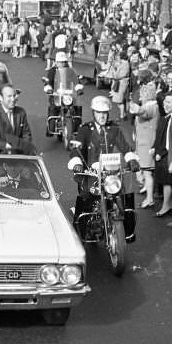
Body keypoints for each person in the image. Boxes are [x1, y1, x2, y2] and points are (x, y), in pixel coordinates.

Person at [67, 95, 140, 240]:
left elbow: (125, 147)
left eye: (105, 113)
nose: (102, 116)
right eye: (99, 112)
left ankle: (128, 232)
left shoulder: (113, 129)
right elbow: (76, 149)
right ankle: (78, 232)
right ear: (93, 113)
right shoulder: (85, 129)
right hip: (90, 173)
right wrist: (77, 163)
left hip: (110, 173)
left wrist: (131, 159)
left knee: (125, 195)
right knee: (85, 199)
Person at [131, 69, 160, 208]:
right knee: (145, 172)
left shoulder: (151, 107)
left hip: (147, 146)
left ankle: (150, 198)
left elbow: (143, 113)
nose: (141, 96)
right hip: (143, 144)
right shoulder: (151, 105)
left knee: (147, 173)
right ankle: (148, 192)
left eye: (143, 94)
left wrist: (136, 109)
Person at [154, 91, 172, 219]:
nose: (165, 104)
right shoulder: (168, 116)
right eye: (164, 101)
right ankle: (170, 207)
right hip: (165, 153)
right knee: (167, 182)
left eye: (168, 102)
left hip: (171, 156)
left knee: (171, 184)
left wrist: (166, 155)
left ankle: (170, 207)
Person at [0, 85, 35, 155]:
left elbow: (26, 134)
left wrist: (24, 147)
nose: (13, 99)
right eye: (9, 96)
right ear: (1, 98)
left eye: (14, 96)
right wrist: (7, 146)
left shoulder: (21, 112)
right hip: (1, 156)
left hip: (19, 155)